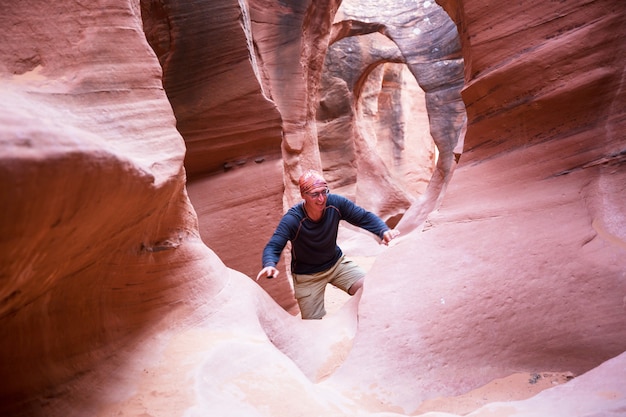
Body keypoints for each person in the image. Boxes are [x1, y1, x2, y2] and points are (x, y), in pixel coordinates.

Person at [256, 169, 400, 319]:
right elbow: (274, 245)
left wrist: (383, 230)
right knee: (313, 325)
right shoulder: (293, 219)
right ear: (303, 195)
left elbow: (363, 217)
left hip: (336, 264)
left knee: (369, 288)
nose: (321, 198)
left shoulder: (335, 203)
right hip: (307, 275)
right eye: (314, 194)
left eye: (324, 192)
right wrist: (269, 263)